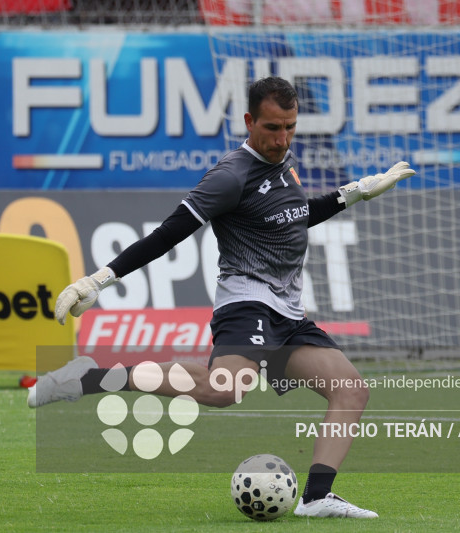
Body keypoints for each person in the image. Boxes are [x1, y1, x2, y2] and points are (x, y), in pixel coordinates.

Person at [28, 76, 415, 519]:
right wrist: (98, 281)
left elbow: (293, 215)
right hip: (247, 301)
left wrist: (353, 194)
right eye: (272, 128)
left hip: (288, 310)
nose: (282, 138)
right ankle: (88, 379)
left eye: (290, 127)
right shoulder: (230, 176)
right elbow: (168, 234)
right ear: (249, 121)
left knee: (351, 391)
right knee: (225, 389)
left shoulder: (283, 160)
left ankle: (316, 498)